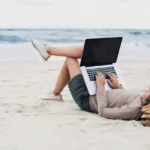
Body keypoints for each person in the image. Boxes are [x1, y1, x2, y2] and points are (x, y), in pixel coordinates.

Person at [31, 39, 150, 127]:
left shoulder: (134, 110)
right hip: (101, 90)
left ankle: (48, 51)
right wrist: (118, 86)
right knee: (88, 50)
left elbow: (103, 112)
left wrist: (100, 86)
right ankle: (55, 93)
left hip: (87, 98)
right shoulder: (143, 96)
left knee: (71, 59)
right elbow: (122, 98)